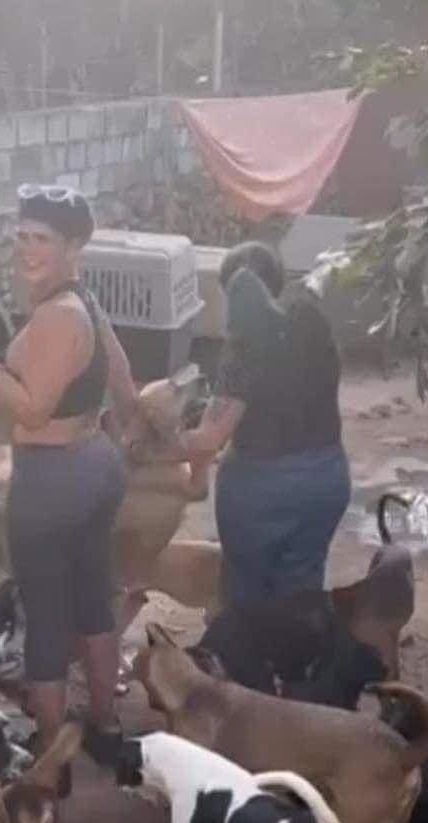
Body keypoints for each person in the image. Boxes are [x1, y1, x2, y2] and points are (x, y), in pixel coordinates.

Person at [0, 184, 136, 779]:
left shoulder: (59, 316)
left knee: (46, 620)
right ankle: (105, 725)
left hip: (51, 479)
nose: (26, 249)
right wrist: (120, 434)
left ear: (74, 247)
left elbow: (32, 410)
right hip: (95, 465)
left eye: (41, 238)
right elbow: (123, 379)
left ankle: (50, 757)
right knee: (92, 601)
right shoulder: (84, 301)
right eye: (20, 236)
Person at [144, 240, 350, 611]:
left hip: (262, 488)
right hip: (325, 478)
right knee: (301, 590)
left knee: (246, 594)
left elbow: (210, 438)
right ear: (278, 282)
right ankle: (298, 645)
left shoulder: (244, 347)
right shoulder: (311, 322)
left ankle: (247, 646)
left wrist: (152, 449)